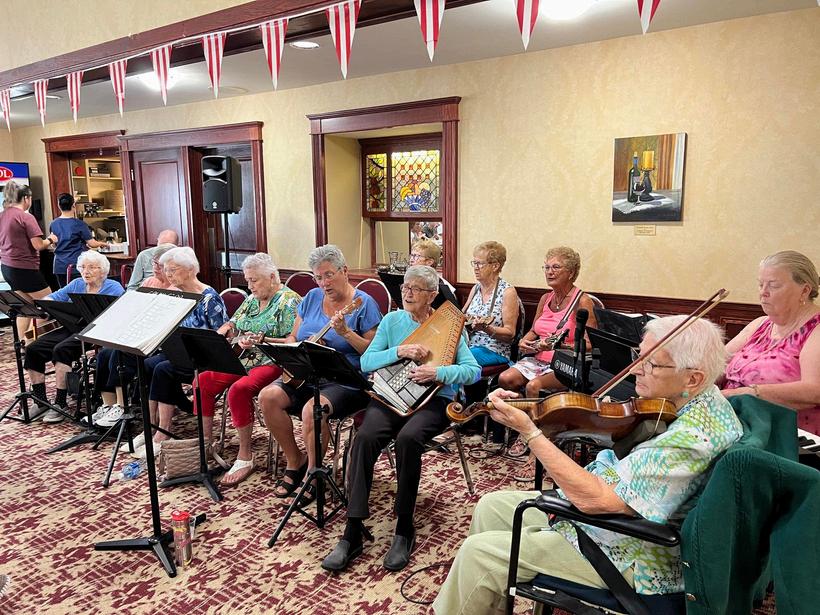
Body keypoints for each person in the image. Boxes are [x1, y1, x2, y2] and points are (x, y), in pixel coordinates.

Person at [433, 315, 743, 614]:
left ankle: (482, 582)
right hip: (610, 520)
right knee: (491, 506)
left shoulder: (693, 437)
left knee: (480, 555)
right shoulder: (688, 402)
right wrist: (531, 412)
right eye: (639, 355)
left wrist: (530, 433)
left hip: (633, 553)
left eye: (652, 363)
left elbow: (598, 501)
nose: (636, 369)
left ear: (693, 378)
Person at [321, 265, 480, 573]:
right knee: (365, 438)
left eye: (415, 288)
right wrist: (399, 351)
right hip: (391, 396)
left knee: (408, 439)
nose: (407, 292)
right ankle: (352, 530)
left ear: (432, 295)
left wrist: (438, 372)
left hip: (434, 400)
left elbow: (472, 372)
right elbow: (367, 361)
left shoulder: (449, 327)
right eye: (405, 287)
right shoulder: (392, 321)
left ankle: (404, 526)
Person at [258, 244, 382, 499]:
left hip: (346, 380)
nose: (324, 283)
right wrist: (299, 346)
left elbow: (373, 353)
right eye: (318, 277)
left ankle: (313, 474)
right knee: (267, 397)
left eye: (329, 275)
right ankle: (295, 460)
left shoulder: (363, 303)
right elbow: (294, 336)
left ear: (344, 271)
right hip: (306, 375)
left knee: (311, 410)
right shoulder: (312, 297)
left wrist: (346, 333)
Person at [194, 253, 301, 486]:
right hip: (243, 357)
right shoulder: (252, 299)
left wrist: (262, 340)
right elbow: (233, 323)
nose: (250, 286)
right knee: (202, 381)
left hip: (272, 361)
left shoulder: (290, 301)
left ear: (272, 277)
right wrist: (226, 332)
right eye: (247, 280)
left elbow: (293, 342)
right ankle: (205, 444)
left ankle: (245, 455)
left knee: (239, 389)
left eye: (254, 280)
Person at [137, 247, 227, 456]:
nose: (168, 275)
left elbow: (221, 336)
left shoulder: (209, 298)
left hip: (205, 358)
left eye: (173, 270)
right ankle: (151, 426)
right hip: (181, 352)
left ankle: (163, 432)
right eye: (166, 270)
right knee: (146, 364)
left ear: (190, 270)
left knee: (162, 370)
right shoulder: (177, 294)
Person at [723, 250, 820, 435]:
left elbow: (815, 390)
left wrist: (749, 393)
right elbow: (717, 363)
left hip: (788, 434)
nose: (763, 292)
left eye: (773, 285)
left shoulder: (816, 330)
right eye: (761, 284)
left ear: (804, 290)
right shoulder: (760, 324)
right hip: (735, 424)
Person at [24, 251, 124, 423]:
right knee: (33, 348)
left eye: (92, 267)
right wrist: (45, 305)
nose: (86, 271)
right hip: (72, 326)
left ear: (103, 270)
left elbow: (122, 313)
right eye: (83, 267)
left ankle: (60, 403)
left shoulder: (113, 287)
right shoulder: (77, 283)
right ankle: (40, 401)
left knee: (61, 349)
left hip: (97, 330)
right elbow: (53, 297)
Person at [92, 244, 178, 429]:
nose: (154, 268)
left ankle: (122, 407)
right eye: (153, 263)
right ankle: (108, 406)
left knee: (120, 354)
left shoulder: (176, 287)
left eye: (159, 265)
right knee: (104, 354)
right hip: (140, 332)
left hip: (158, 340)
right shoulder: (149, 282)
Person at [499, 246, 598, 396]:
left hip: (566, 364)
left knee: (533, 386)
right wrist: (524, 341)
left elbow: (590, 345)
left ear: (571, 273)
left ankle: (532, 411)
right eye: (546, 267)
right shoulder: (545, 298)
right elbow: (534, 330)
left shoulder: (583, 301)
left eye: (556, 267)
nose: (549, 272)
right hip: (538, 360)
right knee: (505, 378)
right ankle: (523, 406)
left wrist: (560, 346)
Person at [0, 181, 58, 339]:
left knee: (25, 308)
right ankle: (32, 340)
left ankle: (22, 343)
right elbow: (38, 245)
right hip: (25, 269)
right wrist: (51, 239)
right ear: (26, 198)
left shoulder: (2, 215)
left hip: (7, 267)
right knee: (50, 304)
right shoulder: (25, 217)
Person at [462, 241, 520, 367]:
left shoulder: (507, 292)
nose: (475, 267)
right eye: (474, 263)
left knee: (458, 359)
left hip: (494, 350)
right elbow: (461, 316)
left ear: (495, 266)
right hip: (469, 346)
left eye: (480, 264)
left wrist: (486, 328)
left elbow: (510, 333)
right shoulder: (476, 288)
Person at [49, 193, 106, 287]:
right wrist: (103, 244)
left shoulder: (54, 224)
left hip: (59, 266)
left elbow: (54, 244)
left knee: (64, 292)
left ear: (59, 206)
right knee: (79, 292)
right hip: (75, 265)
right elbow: (92, 243)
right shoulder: (79, 224)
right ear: (73, 206)